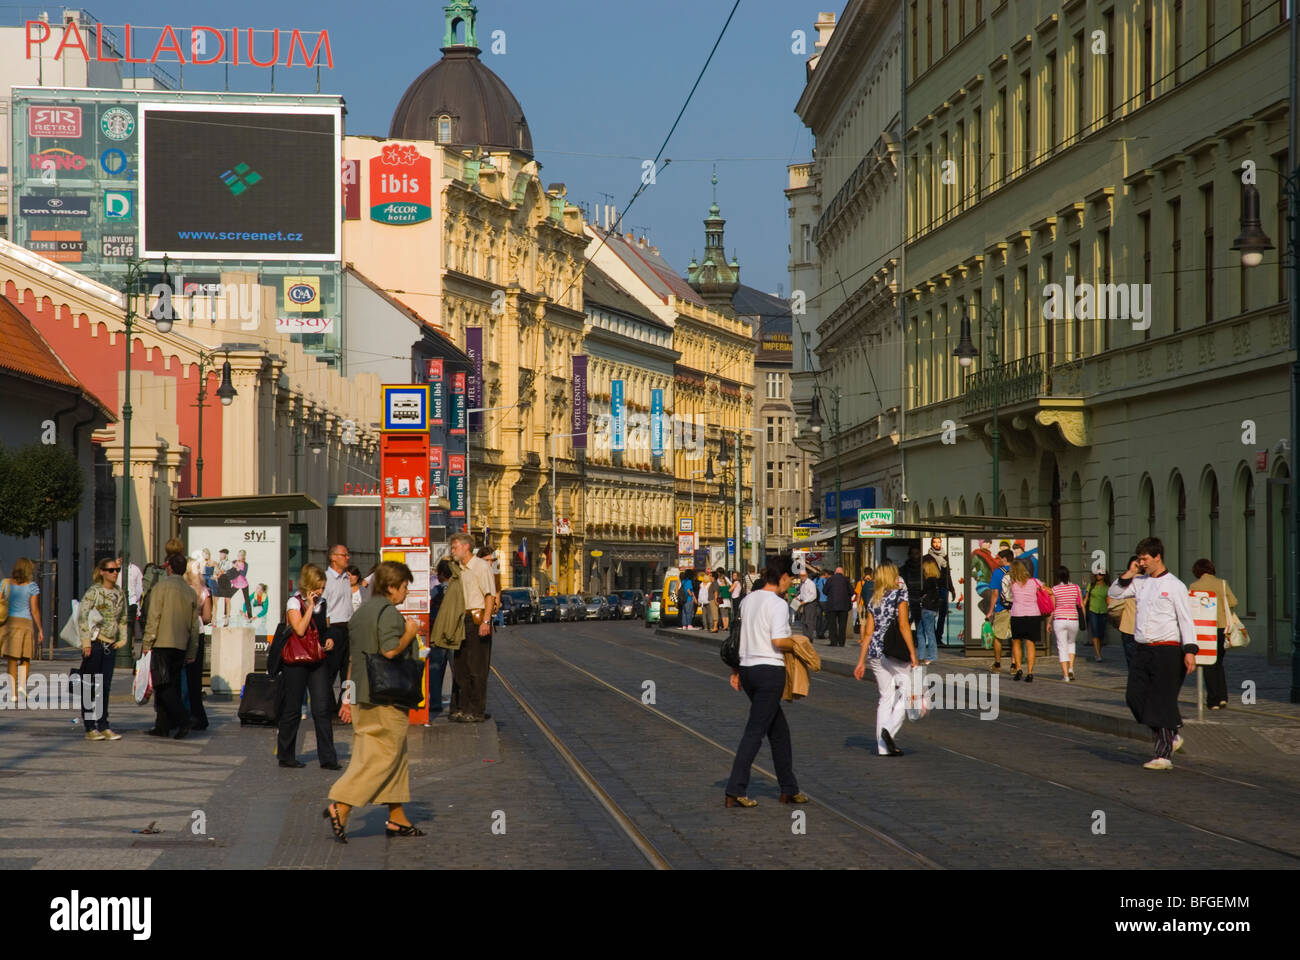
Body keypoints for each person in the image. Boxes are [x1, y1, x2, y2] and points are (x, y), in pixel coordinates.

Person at [324, 561, 424, 842]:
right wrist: (410, 633)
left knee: (388, 756)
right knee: (383, 758)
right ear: (391, 587)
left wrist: (348, 699)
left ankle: (397, 819)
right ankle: (341, 805)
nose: (405, 592)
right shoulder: (390, 613)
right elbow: (390, 651)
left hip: (363, 697)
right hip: (387, 698)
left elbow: (354, 659)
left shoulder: (361, 613)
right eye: (404, 587)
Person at [724, 554, 808, 808]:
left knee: (778, 731)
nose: (790, 584)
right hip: (769, 671)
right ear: (782, 577)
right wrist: (801, 643)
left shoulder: (748, 600)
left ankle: (788, 788)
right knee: (755, 731)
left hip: (748, 669)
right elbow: (777, 641)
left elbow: (739, 637)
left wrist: (737, 670)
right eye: (789, 579)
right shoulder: (778, 604)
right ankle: (734, 789)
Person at [1108, 538, 1198, 770]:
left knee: (1162, 701)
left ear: (1157, 556)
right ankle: (1171, 735)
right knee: (1134, 696)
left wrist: (1190, 651)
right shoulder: (1139, 582)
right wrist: (1130, 571)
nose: (1142, 563)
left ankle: (1164, 755)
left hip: (1168, 649)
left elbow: (1186, 619)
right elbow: (1115, 592)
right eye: (1139, 559)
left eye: (1145, 559)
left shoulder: (1175, 585)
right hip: (1143, 649)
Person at [277, 564, 339, 769]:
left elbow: (325, 628)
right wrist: (310, 606)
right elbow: (300, 630)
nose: (321, 591)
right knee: (293, 708)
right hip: (295, 661)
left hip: (317, 659)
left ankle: (328, 758)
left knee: (322, 708)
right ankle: (286, 755)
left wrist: (329, 639)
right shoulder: (293, 603)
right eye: (318, 587)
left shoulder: (323, 603)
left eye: (322, 587)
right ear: (308, 586)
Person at [854, 561, 918, 757]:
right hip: (894, 650)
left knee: (885, 697)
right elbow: (903, 625)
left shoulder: (874, 597)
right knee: (907, 693)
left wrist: (860, 661)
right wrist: (913, 654)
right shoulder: (900, 594)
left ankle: (882, 747)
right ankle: (888, 731)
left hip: (875, 651)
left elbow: (868, 632)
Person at [141, 553, 201, 739]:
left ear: (170, 568)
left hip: (162, 642)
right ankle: (162, 726)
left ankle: (183, 719)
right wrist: (192, 650)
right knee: (172, 684)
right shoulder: (190, 592)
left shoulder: (161, 587)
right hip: (181, 645)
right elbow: (193, 625)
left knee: (162, 685)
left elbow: (154, 616)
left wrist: (147, 642)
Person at [449, 533, 497, 723]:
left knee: (477, 667)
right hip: (462, 619)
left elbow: (489, 595)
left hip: (477, 619)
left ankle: (476, 710)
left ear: (466, 547)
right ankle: (461, 706)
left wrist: (486, 621)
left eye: (455, 547)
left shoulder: (481, 566)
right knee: (461, 665)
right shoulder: (458, 568)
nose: (452, 551)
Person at [76, 557, 125, 741]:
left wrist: (123, 639)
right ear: (102, 571)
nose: (115, 573)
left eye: (117, 570)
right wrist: (86, 642)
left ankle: (103, 725)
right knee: (89, 685)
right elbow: (82, 616)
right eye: (111, 570)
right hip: (95, 645)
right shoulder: (94, 592)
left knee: (104, 686)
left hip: (110, 646)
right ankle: (90, 727)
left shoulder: (119, 593)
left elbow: (123, 617)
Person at [1187, 558, 1237, 711]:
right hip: (1222, 628)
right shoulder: (1222, 583)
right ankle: (1223, 697)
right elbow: (1233, 602)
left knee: (1208, 664)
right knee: (1218, 663)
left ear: (1197, 571)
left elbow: (1192, 606)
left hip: (1204, 629)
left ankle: (1213, 700)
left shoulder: (1194, 586)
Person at [322, 544, 355, 718]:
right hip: (333, 628)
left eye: (348, 555)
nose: (347, 558)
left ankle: (348, 708)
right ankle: (330, 711)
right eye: (344, 555)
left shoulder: (346, 578)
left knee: (349, 672)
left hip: (348, 627)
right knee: (329, 673)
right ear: (333, 557)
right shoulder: (326, 579)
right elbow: (324, 608)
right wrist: (327, 634)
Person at [1, 558, 43, 689]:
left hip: (9, 623)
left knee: (12, 659)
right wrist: (40, 629)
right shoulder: (32, 586)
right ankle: (22, 686)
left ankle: (13, 691)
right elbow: (34, 610)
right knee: (25, 658)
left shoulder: (5, 583)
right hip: (25, 624)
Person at [182, 557, 213, 730]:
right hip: (199, 632)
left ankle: (183, 711)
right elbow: (208, 617)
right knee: (195, 675)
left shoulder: (183, 589)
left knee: (182, 674)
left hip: (182, 632)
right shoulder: (203, 591)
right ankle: (198, 714)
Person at [1003, 558, 1044, 682]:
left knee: (1016, 642)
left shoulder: (1013, 583)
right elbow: (1048, 591)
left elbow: (1007, 596)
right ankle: (1030, 672)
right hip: (1033, 615)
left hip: (1017, 615)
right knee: (1030, 644)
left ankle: (1019, 668)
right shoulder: (1036, 582)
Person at [427, 558, 458, 717]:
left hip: (437, 636)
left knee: (435, 671)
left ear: (441, 574)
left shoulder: (436, 591)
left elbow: (428, 611)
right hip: (454, 636)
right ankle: (457, 703)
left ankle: (435, 703)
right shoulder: (458, 590)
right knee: (457, 672)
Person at [982, 549, 1016, 672]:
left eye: (999, 558)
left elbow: (995, 594)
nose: (998, 561)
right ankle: (1014, 666)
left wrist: (990, 611)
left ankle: (997, 664)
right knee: (1015, 638)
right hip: (1017, 610)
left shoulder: (997, 573)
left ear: (1005, 559)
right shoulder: (1018, 571)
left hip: (1002, 608)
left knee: (998, 637)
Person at [1049, 566, 1085, 682]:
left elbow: (1052, 608)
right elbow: (1081, 605)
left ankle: (1065, 676)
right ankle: (1071, 668)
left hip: (1059, 619)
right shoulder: (1076, 588)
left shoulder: (1054, 589)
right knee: (1071, 643)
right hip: (1073, 619)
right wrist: (1083, 619)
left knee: (1062, 646)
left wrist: (1049, 622)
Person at [1109, 556, 1140, 667]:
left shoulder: (1128, 581)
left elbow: (1111, 594)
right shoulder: (1150, 580)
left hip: (1129, 628)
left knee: (1132, 663)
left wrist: (1130, 572)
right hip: (1144, 630)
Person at [927, 538, 957, 644]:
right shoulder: (928, 557)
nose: (937, 544)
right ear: (931, 544)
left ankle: (938, 637)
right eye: (934, 542)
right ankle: (933, 638)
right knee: (931, 613)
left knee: (942, 613)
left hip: (943, 587)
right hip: (932, 588)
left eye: (938, 542)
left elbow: (947, 574)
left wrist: (952, 589)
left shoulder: (944, 556)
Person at [917, 557, 943, 664]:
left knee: (926, 632)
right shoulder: (937, 581)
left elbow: (922, 592)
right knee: (923, 632)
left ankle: (930, 656)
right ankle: (922, 656)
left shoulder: (929, 581)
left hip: (926, 608)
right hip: (932, 609)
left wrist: (921, 596)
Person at [824, 565, 853, 647]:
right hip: (844, 606)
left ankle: (833, 641)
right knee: (842, 625)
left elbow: (824, 591)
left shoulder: (830, 579)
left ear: (836, 572)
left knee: (832, 624)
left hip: (832, 605)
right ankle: (841, 642)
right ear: (842, 572)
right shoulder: (846, 580)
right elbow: (851, 591)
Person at [116, 554, 143, 641]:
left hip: (132, 602)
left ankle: (130, 646)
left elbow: (140, 587)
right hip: (118, 602)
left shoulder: (135, 569)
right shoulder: (115, 569)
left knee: (130, 626)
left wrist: (135, 599)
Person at [1085, 571, 1110, 662]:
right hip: (1093, 610)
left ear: (1104, 576)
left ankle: (1098, 652)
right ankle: (1098, 655)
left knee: (1101, 634)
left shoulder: (1107, 587)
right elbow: (1086, 598)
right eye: (1097, 574)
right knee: (1095, 632)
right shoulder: (1091, 586)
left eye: (1101, 574)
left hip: (1103, 611)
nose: (1099, 576)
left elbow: (1108, 600)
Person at [899, 546, 924, 631]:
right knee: (907, 622)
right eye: (912, 554)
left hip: (920, 600)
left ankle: (918, 641)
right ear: (909, 555)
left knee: (919, 623)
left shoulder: (923, 569)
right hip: (908, 600)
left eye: (916, 553)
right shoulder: (903, 569)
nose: (914, 556)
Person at [797, 570, 819, 641]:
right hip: (803, 603)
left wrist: (805, 601)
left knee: (809, 621)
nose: (801, 577)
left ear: (806, 575)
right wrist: (797, 597)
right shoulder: (802, 584)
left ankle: (809, 637)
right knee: (803, 621)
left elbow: (813, 595)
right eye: (800, 576)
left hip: (810, 604)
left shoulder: (810, 583)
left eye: (802, 576)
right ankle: (805, 636)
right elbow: (803, 594)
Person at [231, 548, 252, 620]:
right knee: (227, 597)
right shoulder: (234, 562)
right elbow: (231, 572)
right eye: (239, 555)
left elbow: (243, 574)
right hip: (236, 583)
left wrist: (238, 568)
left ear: (244, 556)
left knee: (247, 600)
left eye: (241, 555)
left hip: (243, 583)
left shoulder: (246, 564)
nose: (240, 556)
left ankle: (250, 616)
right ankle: (226, 614)